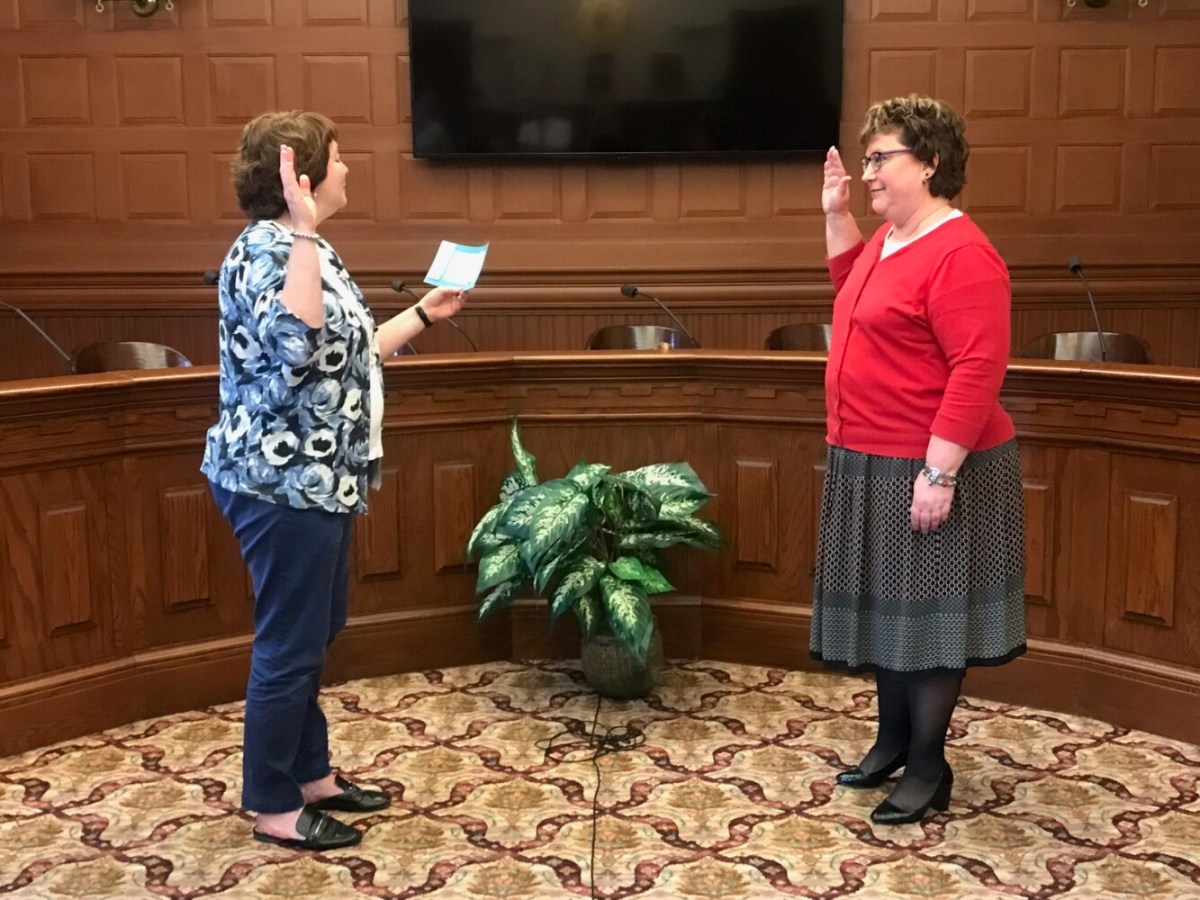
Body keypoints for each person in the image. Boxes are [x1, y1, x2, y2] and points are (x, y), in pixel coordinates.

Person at [201, 110, 467, 850]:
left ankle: (310, 774)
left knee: (317, 631)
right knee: (290, 644)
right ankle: (273, 804)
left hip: (320, 480)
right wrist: (304, 230)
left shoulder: (305, 247)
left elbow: (347, 354)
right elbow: (294, 348)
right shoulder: (268, 250)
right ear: (305, 177)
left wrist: (424, 314)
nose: (348, 169)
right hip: (278, 483)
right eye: (339, 159)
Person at [810, 95, 1026, 826]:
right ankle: (894, 742)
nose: (869, 172)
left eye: (882, 158)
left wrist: (939, 473)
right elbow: (856, 294)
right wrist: (836, 215)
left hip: (931, 465)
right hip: (871, 456)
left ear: (930, 162)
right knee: (889, 615)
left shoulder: (962, 254)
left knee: (928, 624)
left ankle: (930, 765)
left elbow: (977, 369)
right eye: (866, 158)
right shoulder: (892, 238)